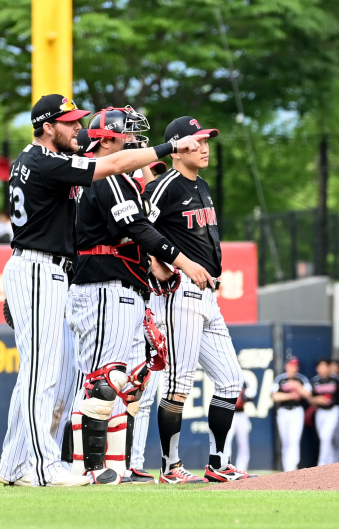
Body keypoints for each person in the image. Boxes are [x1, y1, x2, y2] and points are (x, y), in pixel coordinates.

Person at [0, 94, 197, 488]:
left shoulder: (34, 160)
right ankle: (42, 465)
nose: (78, 128)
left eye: (79, 121)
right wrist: (170, 147)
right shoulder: (43, 160)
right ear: (47, 126)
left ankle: (14, 463)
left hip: (44, 267)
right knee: (43, 375)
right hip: (37, 266)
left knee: (39, 375)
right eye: (70, 122)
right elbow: (115, 164)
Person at [65, 107, 207, 485]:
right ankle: (88, 468)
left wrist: (155, 263)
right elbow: (137, 228)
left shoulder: (119, 178)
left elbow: (137, 226)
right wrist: (182, 261)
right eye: (127, 134)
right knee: (102, 379)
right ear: (107, 139)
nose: (135, 140)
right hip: (102, 285)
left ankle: (118, 465)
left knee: (129, 379)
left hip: (123, 283)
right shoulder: (105, 176)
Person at [143, 115, 254, 483]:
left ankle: (218, 463)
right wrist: (152, 262)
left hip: (208, 295)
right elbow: (136, 228)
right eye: (196, 141)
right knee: (178, 382)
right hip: (178, 294)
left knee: (229, 380)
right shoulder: (165, 186)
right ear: (178, 148)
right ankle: (169, 466)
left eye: (206, 140)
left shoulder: (201, 184)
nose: (204, 147)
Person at [271, 357, 311, 472]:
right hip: (283, 411)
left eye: (295, 366)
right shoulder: (280, 379)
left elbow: (308, 395)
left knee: (294, 440)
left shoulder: (301, 379)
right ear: (286, 366)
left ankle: (292, 467)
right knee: (285, 441)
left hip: (297, 411)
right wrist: (291, 395)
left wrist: (297, 387)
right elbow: (275, 396)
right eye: (291, 365)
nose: (293, 368)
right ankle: (286, 468)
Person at [311, 359, 339, 466]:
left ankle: (323, 463)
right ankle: (331, 463)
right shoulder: (315, 381)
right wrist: (317, 399)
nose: (323, 369)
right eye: (321, 366)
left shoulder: (336, 380)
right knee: (324, 438)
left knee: (327, 436)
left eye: (325, 366)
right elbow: (310, 398)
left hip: (333, 410)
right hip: (320, 411)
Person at [225, 381, 255, 473]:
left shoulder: (244, 382)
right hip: (228, 413)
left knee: (243, 444)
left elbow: (250, 395)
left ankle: (242, 469)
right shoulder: (225, 380)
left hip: (241, 414)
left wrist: (244, 398)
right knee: (226, 442)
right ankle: (225, 467)